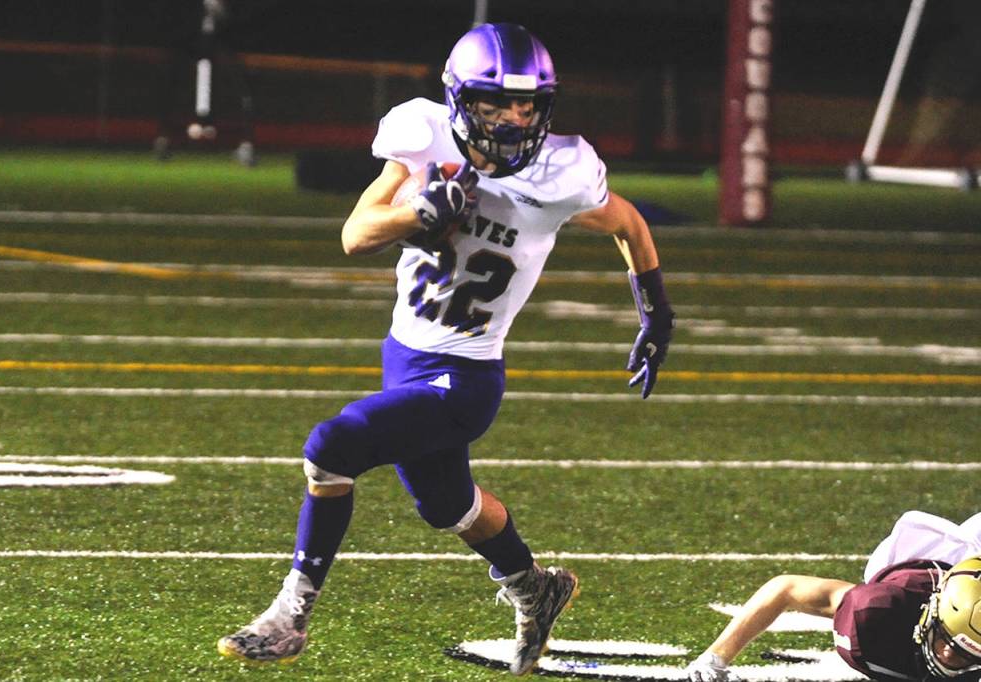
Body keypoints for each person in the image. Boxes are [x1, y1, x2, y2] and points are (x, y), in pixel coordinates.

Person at [217, 22, 675, 676]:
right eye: (497, 104)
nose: (515, 119)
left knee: (331, 446)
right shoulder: (422, 135)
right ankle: (535, 586)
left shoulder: (562, 173)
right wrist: (417, 215)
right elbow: (357, 233)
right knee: (448, 506)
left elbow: (627, 221)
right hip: (404, 353)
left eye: (528, 105)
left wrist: (655, 308)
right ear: (462, 100)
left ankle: (290, 617)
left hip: (467, 378)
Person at [686, 511, 981, 682]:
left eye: (965, 654)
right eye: (947, 640)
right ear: (930, 614)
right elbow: (785, 588)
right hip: (930, 560)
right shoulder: (876, 612)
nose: (946, 655)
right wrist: (715, 658)